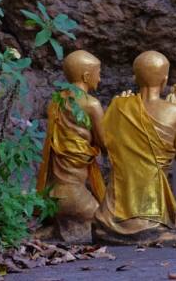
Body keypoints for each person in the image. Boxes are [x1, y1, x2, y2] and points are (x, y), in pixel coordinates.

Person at [93, 51, 176, 246]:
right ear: (165, 79)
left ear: (135, 77)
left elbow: (105, 145)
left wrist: (120, 107)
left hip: (110, 215)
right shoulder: (175, 112)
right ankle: (151, 232)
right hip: (153, 211)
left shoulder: (118, 106)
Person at [37, 50, 105, 243]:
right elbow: (105, 144)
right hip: (74, 194)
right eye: (98, 73)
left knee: (63, 229)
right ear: (86, 76)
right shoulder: (91, 105)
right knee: (108, 225)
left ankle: (53, 232)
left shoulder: (56, 101)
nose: (100, 79)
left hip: (52, 191)